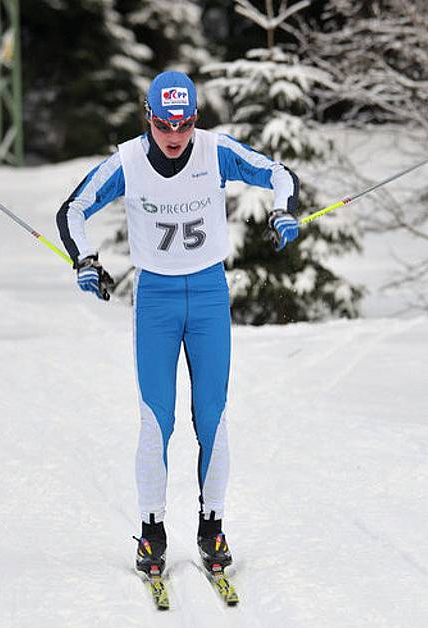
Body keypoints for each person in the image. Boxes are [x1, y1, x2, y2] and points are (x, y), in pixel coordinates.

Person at [56, 71, 299, 577]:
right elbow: (73, 209)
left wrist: (282, 211)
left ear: (194, 119)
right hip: (157, 300)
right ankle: (152, 533)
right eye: (165, 124)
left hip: (209, 296)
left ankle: (212, 529)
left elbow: (278, 173)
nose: (174, 135)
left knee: (212, 417)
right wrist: (83, 258)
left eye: (184, 123)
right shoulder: (126, 160)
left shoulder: (215, 151)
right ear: (148, 117)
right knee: (155, 422)